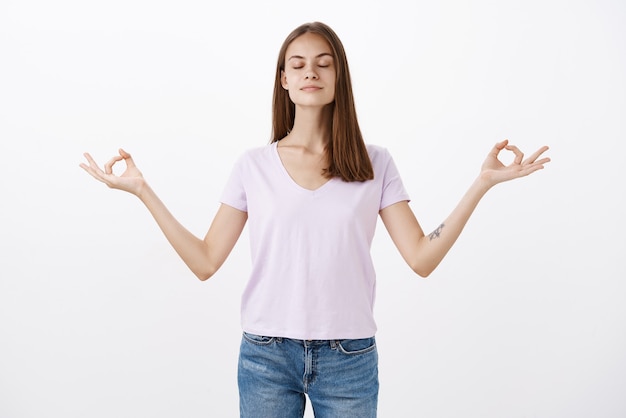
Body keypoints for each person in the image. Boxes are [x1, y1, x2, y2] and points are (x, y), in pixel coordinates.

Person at [80, 21, 550, 418]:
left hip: (349, 357)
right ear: (283, 79)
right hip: (265, 354)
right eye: (298, 64)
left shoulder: (374, 163)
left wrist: (482, 184)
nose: (311, 72)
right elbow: (205, 261)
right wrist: (142, 190)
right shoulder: (253, 166)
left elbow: (421, 258)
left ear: (339, 76)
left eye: (324, 63)